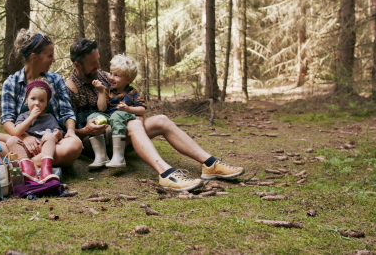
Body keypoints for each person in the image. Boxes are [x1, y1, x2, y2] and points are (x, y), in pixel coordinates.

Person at [65, 39, 245, 192]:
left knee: (161, 120)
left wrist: (138, 123)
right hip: (94, 143)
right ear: (78, 65)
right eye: (93, 63)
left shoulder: (104, 76)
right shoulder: (69, 88)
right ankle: (166, 173)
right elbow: (66, 131)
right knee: (134, 124)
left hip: (119, 132)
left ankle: (209, 163)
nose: (98, 66)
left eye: (98, 61)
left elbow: (132, 98)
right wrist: (85, 130)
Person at [0, 30, 82, 173]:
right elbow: (7, 120)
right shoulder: (12, 83)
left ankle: (24, 165)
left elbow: (66, 112)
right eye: (49, 56)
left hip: (50, 141)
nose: (54, 60)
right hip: (20, 141)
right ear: (34, 57)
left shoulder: (55, 79)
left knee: (74, 145)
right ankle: (42, 164)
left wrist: (70, 131)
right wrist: (25, 137)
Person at [84, 54, 146, 169]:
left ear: (128, 79)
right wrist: (101, 91)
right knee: (93, 116)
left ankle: (119, 156)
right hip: (109, 115)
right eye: (111, 73)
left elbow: (142, 109)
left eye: (116, 75)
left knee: (117, 115)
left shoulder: (132, 92)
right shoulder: (107, 88)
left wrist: (128, 108)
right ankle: (101, 156)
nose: (111, 77)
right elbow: (102, 109)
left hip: (124, 116)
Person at [4, 80, 62, 183]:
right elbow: (18, 132)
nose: (37, 103)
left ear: (46, 104)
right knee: (11, 140)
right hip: (26, 148)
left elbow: (57, 134)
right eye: (33, 99)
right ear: (27, 100)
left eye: (41, 100)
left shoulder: (50, 118)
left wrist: (58, 134)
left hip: (42, 148)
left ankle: (45, 171)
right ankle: (28, 171)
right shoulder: (23, 116)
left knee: (49, 136)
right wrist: (31, 117)